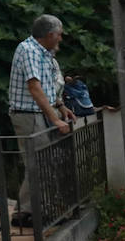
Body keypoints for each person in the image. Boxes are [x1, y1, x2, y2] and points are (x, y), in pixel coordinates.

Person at [8, 14, 76, 223]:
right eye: (59, 35)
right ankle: (41, 213)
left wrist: (61, 107)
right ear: (49, 34)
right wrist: (55, 120)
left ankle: (25, 211)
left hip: (39, 114)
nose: (60, 40)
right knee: (40, 162)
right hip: (29, 114)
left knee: (41, 161)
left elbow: (48, 86)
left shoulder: (44, 54)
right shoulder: (28, 50)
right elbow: (34, 87)